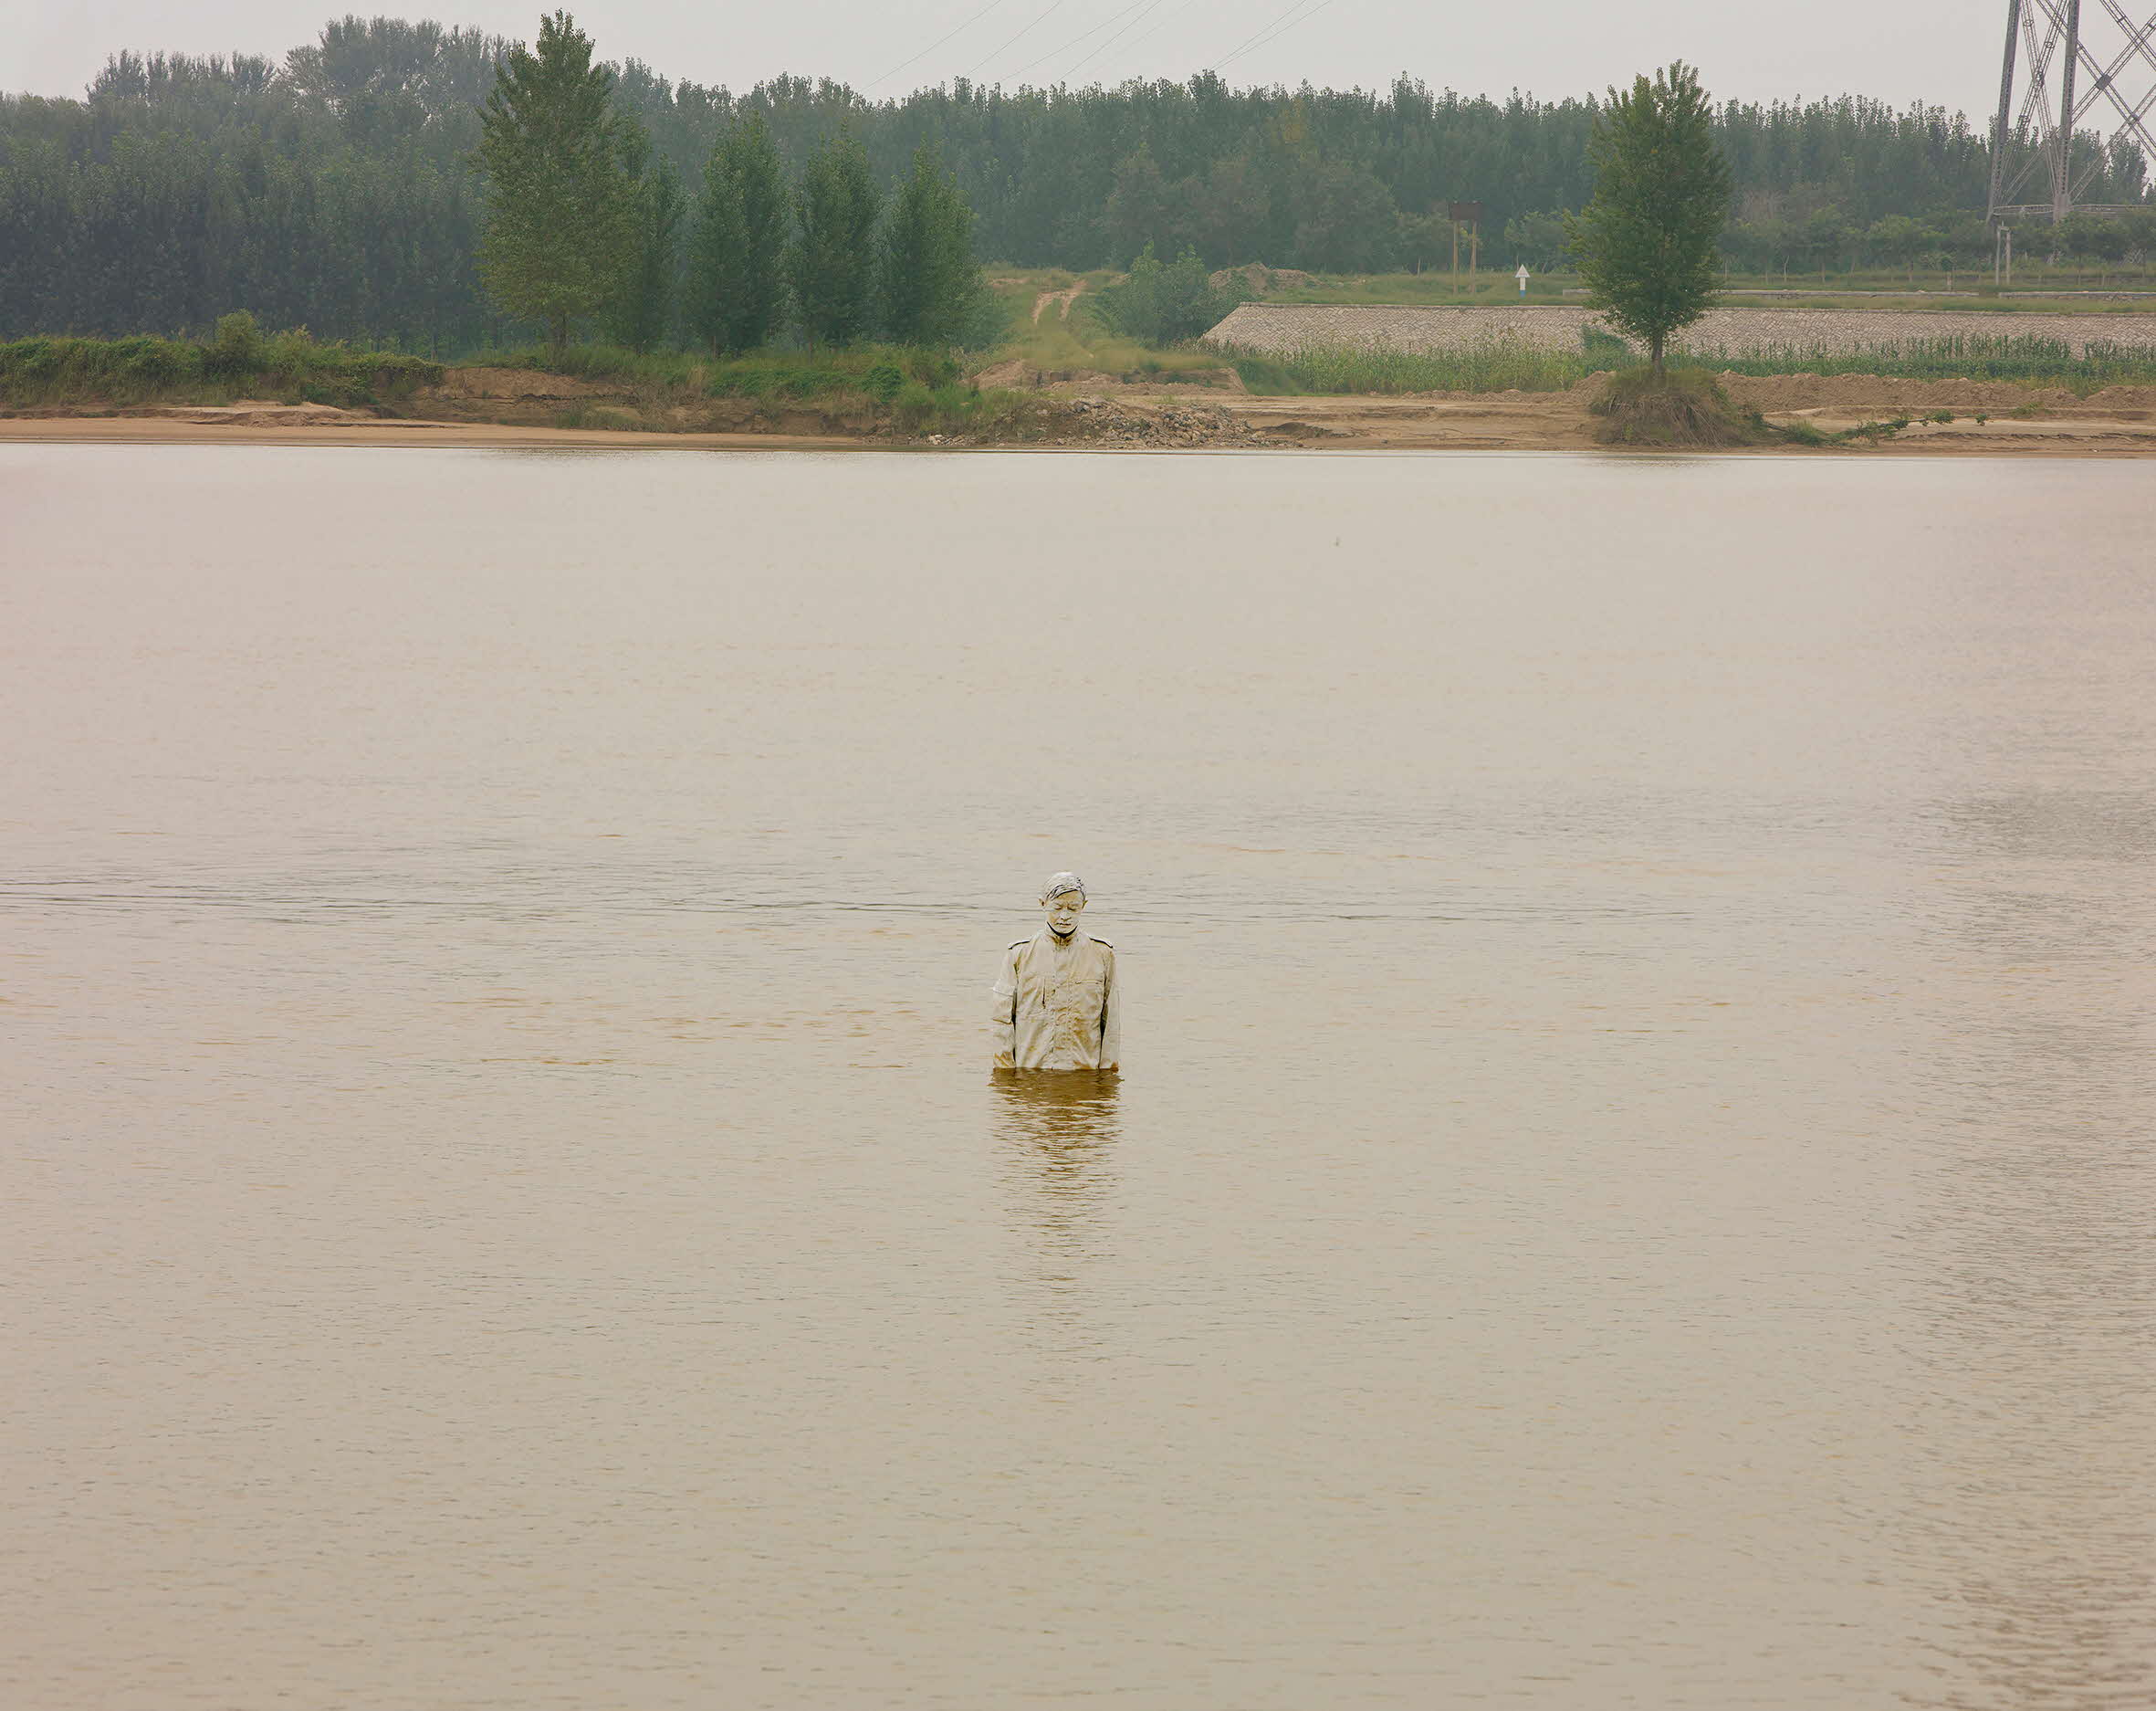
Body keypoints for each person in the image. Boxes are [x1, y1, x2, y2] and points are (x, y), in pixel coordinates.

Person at [991, 873, 1121, 1071]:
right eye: (1057, 907)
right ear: (1042, 904)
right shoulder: (1019, 954)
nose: (1064, 916)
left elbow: (1111, 1023)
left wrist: (1106, 1080)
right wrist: (1006, 1078)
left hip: (1083, 1077)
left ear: (1084, 906)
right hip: (1031, 1077)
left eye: (1073, 908)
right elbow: (1002, 1021)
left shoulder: (1102, 954)